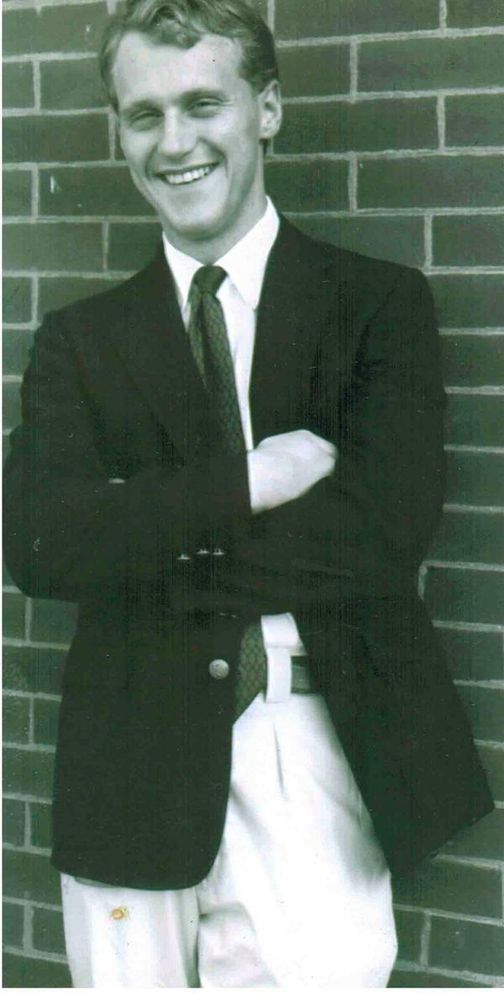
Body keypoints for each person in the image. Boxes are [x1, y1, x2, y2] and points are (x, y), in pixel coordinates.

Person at [4, 0, 493, 988]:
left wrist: (136, 531)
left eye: (202, 104)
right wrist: (249, 482)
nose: (174, 142)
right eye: (144, 115)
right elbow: (42, 547)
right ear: (116, 131)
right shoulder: (81, 342)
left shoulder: (376, 305)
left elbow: (380, 536)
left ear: (266, 109)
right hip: (128, 762)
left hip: (314, 746)